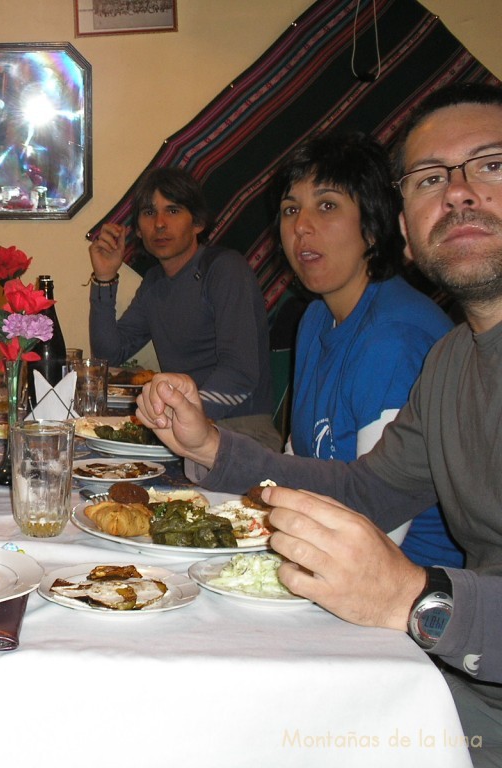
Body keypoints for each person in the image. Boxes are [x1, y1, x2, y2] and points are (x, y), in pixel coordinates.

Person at [137, 83, 502, 761]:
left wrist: (420, 598)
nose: (457, 193)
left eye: (491, 165)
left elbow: (389, 549)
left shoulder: (401, 340)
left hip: (446, 678)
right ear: (406, 228)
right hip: (451, 672)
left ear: (374, 227)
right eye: (429, 178)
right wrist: (211, 445)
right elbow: (365, 491)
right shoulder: (454, 360)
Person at [272, 131, 462, 568]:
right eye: (290, 209)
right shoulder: (316, 316)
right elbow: (296, 457)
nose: (301, 226)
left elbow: (379, 531)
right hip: (327, 549)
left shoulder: (394, 338)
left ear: (374, 227)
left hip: (413, 583)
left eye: (327, 205)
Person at [88, 166, 278, 448]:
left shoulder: (224, 268)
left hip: (242, 432)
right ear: (138, 230)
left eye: (173, 211)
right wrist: (104, 278)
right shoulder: (154, 282)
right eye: (150, 213)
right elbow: (109, 354)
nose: (160, 224)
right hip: (184, 428)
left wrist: (183, 417)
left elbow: (240, 374)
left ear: (198, 222)